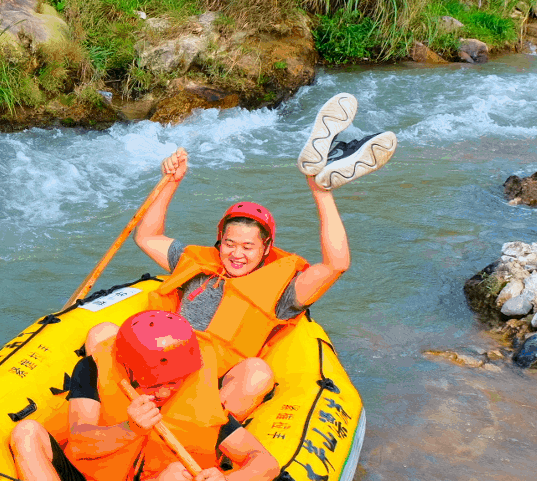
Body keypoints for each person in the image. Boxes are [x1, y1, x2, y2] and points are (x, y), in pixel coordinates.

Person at [135, 92, 394, 395]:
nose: (236, 254)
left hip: (211, 386)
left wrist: (320, 193)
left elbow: (336, 265)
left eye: (248, 247)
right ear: (220, 241)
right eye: (230, 244)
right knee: (104, 333)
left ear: (266, 249)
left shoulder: (282, 292)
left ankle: (322, 176)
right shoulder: (196, 262)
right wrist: (171, 182)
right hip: (162, 364)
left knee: (257, 374)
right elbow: (147, 237)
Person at [8, 310, 282, 481]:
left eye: (173, 382)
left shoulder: (198, 396)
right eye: (152, 384)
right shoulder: (94, 369)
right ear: (127, 369)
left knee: (179, 475)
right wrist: (130, 429)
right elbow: (80, 442)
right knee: (26, 432)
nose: (163, 392)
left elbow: (265, 462)